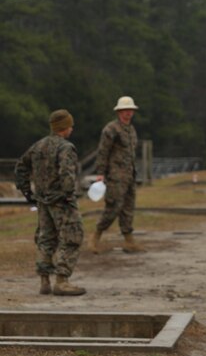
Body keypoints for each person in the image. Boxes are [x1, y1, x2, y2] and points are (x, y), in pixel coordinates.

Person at [14, 109, 86, 296]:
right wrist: (69, 194)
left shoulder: (38, 146)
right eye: (70, 125)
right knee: (72, 237)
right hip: (61, 201)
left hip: (43, 202)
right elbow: (66, 174)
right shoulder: (66, 147)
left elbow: (21, 166)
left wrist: (28, 192)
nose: (72, 128)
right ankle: (62, 280)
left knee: (46, 239)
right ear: (65, 127)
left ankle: (44, 281)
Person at [90, 95, 144, 254]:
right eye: (125, 110)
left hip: (130, 175)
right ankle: (95, 236)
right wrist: (100, 172)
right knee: (113, 207)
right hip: (115, 176)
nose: (128, 113)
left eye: (130, 110)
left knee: (128, 208)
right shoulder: (111, 129)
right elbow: (103, 151)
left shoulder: (131, 130)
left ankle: (128, 241)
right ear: (119, 111)